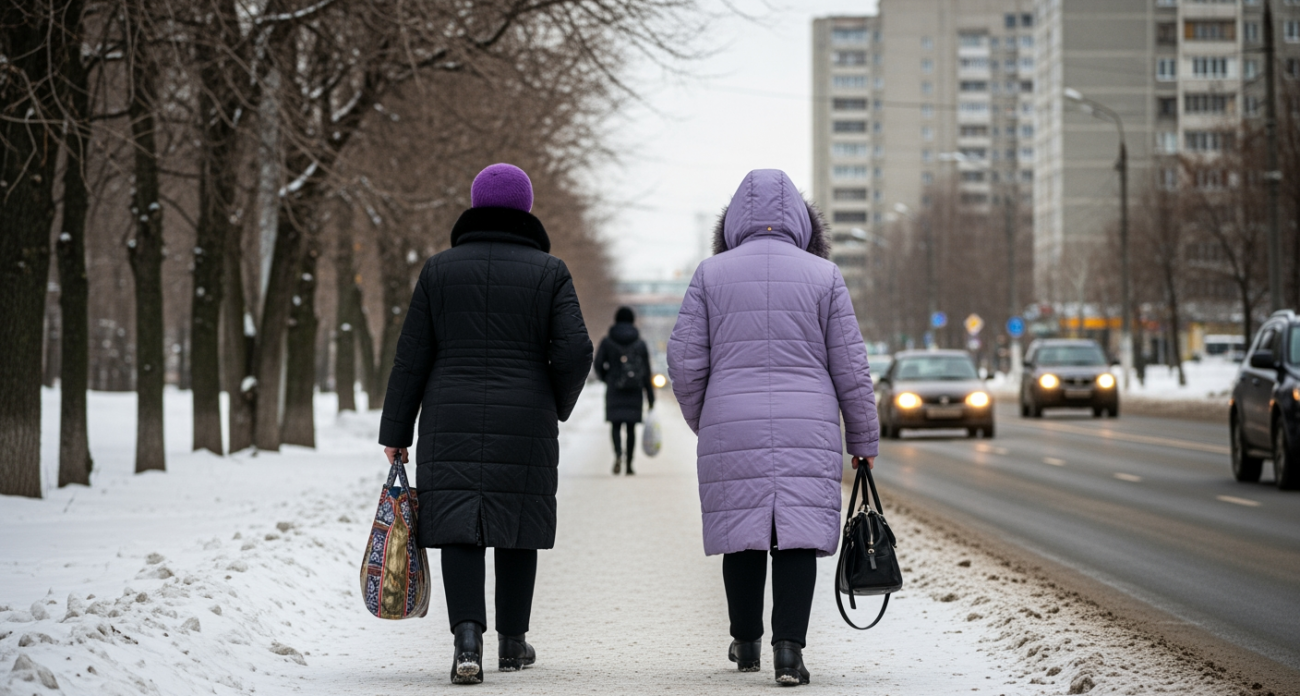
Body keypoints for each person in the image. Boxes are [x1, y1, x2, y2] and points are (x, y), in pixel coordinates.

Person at [379, 163, 593, 685]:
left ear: (475, 205)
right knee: (517, 525)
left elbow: (412, 356)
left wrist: (396, 432)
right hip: (525, 412)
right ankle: (514, 643)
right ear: (526, 208)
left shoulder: (438, 270)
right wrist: (554, 402)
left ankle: (467, 641)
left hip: (448, 410)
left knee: (458, 525)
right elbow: (575, 351)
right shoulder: (550, 271)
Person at [666, 169, 879, 687]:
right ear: (803, 222)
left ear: (734, 221)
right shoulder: (823, 276)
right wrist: (863, 440)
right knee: (796, 540)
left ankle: (746, 641)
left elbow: (683, 361)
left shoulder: (710, 274)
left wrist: (705, 417)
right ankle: (789, 650)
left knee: (741, 536)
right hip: (809, 425)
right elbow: (851, 365)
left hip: (729, 421)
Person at [594, 306, 655, 475]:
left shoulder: (607, 341)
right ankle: (629, 464)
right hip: (634, 390)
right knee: (631, 428)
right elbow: (647, 371)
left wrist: (608, 378)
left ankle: (618, 455)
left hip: (614, 388)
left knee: (615, 425)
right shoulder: (640, 343)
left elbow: (598, 364)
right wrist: (650, 397)